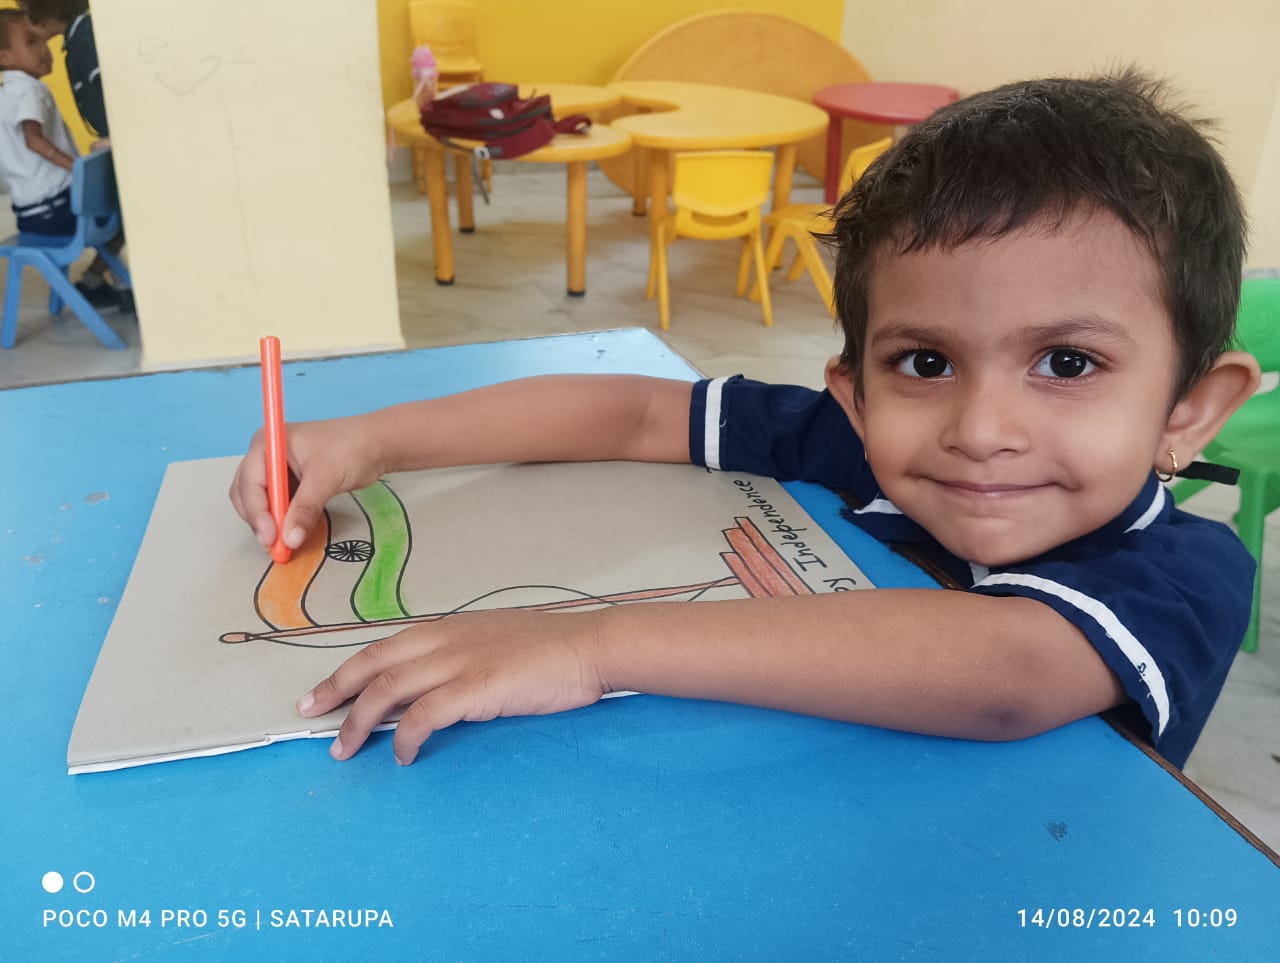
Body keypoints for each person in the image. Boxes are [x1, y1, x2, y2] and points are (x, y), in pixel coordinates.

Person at [230, 69, 1261, 771]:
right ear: (853, 390)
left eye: (1067, 363)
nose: (981, 428)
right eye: (925, 362)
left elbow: (1007, 672)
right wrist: (372, 441)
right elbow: (637, 413)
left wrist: (590, 645)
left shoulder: (1188, 573)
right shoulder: (861, 447)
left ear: (1189, 410)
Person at [14, 0, 130, 312]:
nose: (42, 50)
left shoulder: (83, 37)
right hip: (54, 209)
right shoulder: (74, 41)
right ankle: (102, 282)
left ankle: (103, 282)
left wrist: (119, 136)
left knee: (125, 211)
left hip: (110, 149)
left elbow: (111, 86)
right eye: (30, 43)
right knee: (122, 212)